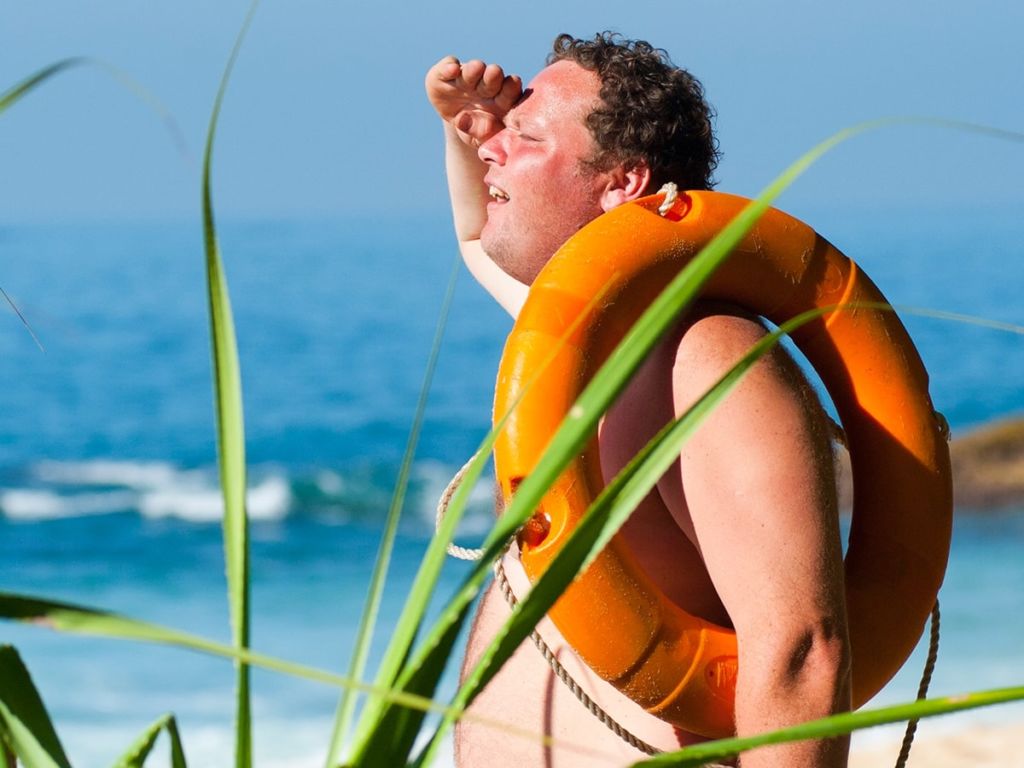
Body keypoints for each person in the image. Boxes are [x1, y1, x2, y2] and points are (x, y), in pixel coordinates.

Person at [425, 33, 850, 767]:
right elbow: (474, 237)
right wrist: (458, 127)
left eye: (523, 135)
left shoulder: (706, 360)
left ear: (622, 182)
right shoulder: (575, 342)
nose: (493, 146)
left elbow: (803, 655)